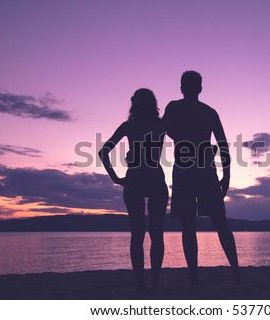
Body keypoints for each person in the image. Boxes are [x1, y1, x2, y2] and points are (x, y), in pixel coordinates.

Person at [163, 71, 241, 284]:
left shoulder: (176, 108)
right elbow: (223, 145)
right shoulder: (208, 112)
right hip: (203, 170)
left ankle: (196, 277)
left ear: (182, 87)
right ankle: (234, 272)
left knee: (191, 225)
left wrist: (177, 135)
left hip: (189, 170)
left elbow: (162, 130)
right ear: (199, 88)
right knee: (219, 222)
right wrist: (226, 176)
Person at [99, 88, 168, 291]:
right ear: (153, 104)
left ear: (134, 104)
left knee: (137, 234)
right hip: (153, 176)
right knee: (156, 234)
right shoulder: (160, 125)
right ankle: (154, 281)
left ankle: (140, 282)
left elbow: (104, 152)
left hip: (136, 178)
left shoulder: (129, 126)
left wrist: (115, 177)